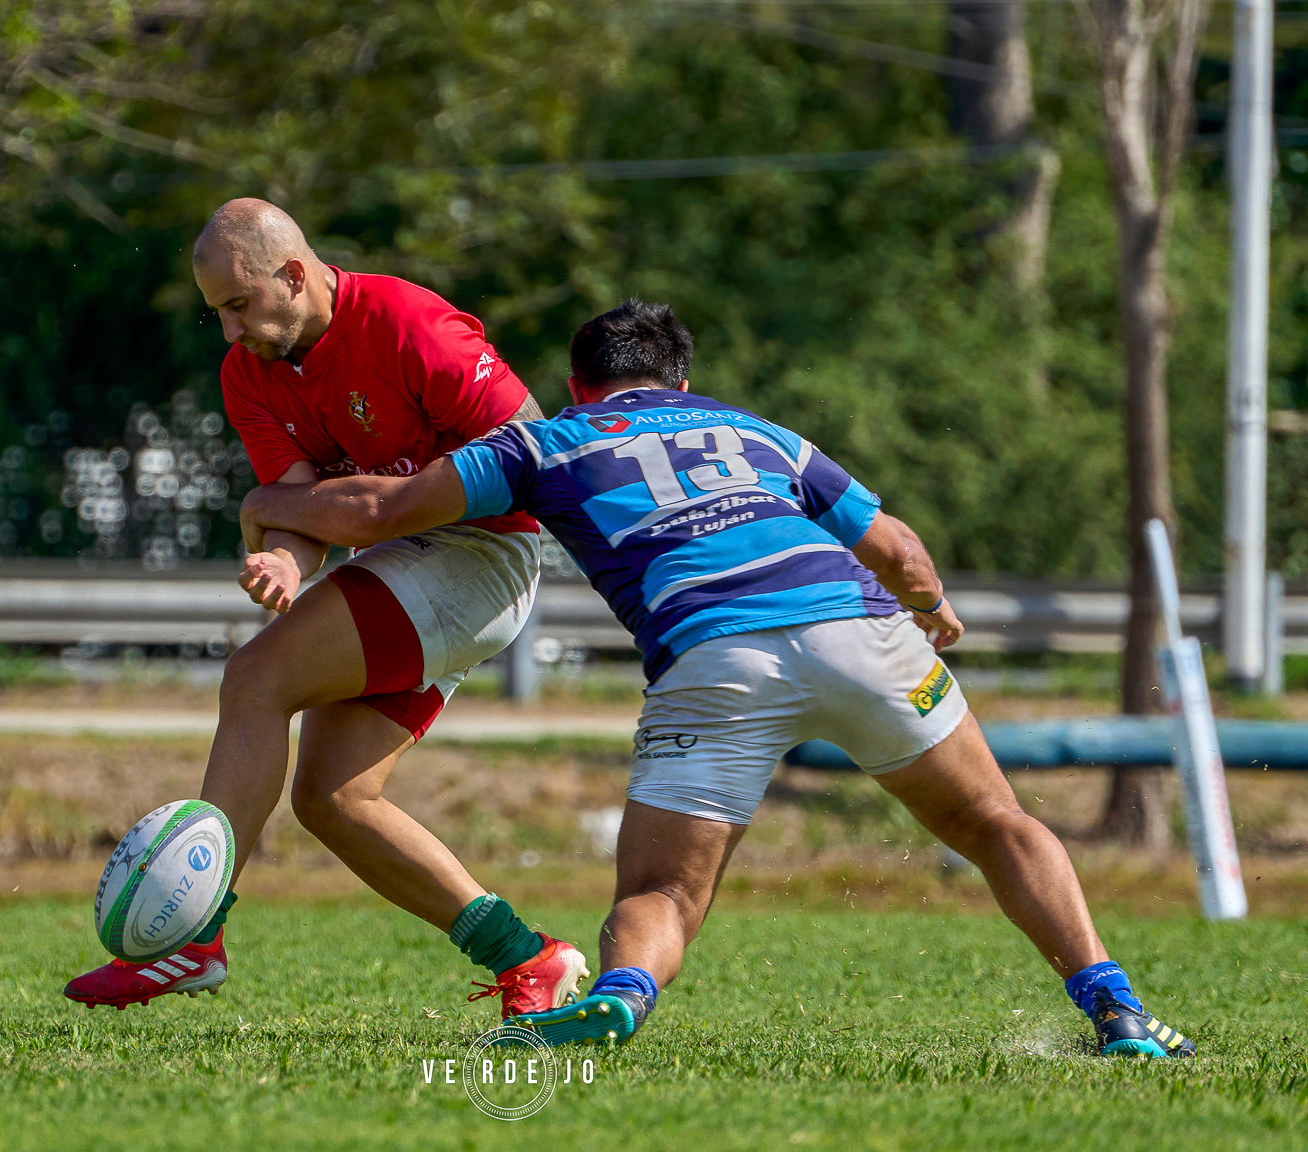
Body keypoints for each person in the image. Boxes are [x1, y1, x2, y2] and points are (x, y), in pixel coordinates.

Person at [237, 300, 1196, 1060]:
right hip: (860, 630)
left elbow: (383, 506)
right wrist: (933, 610)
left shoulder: (546, 442)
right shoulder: (758, 433)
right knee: (998, 825)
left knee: (662, 888)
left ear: (578, 386)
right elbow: (895, 545)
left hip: (713, 659)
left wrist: (266, 499)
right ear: (681, 379)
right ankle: (1118, 1009)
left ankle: (619, 996)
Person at [64, 200, 589, 1016]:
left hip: (484, 557)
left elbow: (537, 451)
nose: (230, 331)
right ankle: (530, 959)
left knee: (256, 679)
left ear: (295, 274)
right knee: (332, 799)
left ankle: (193, 941)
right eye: (217, 314)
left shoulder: (412, 325)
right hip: (412, 564)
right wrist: (285, 555)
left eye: (239, 305)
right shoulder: (251, 373)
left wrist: (389, 507)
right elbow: (300, 502)